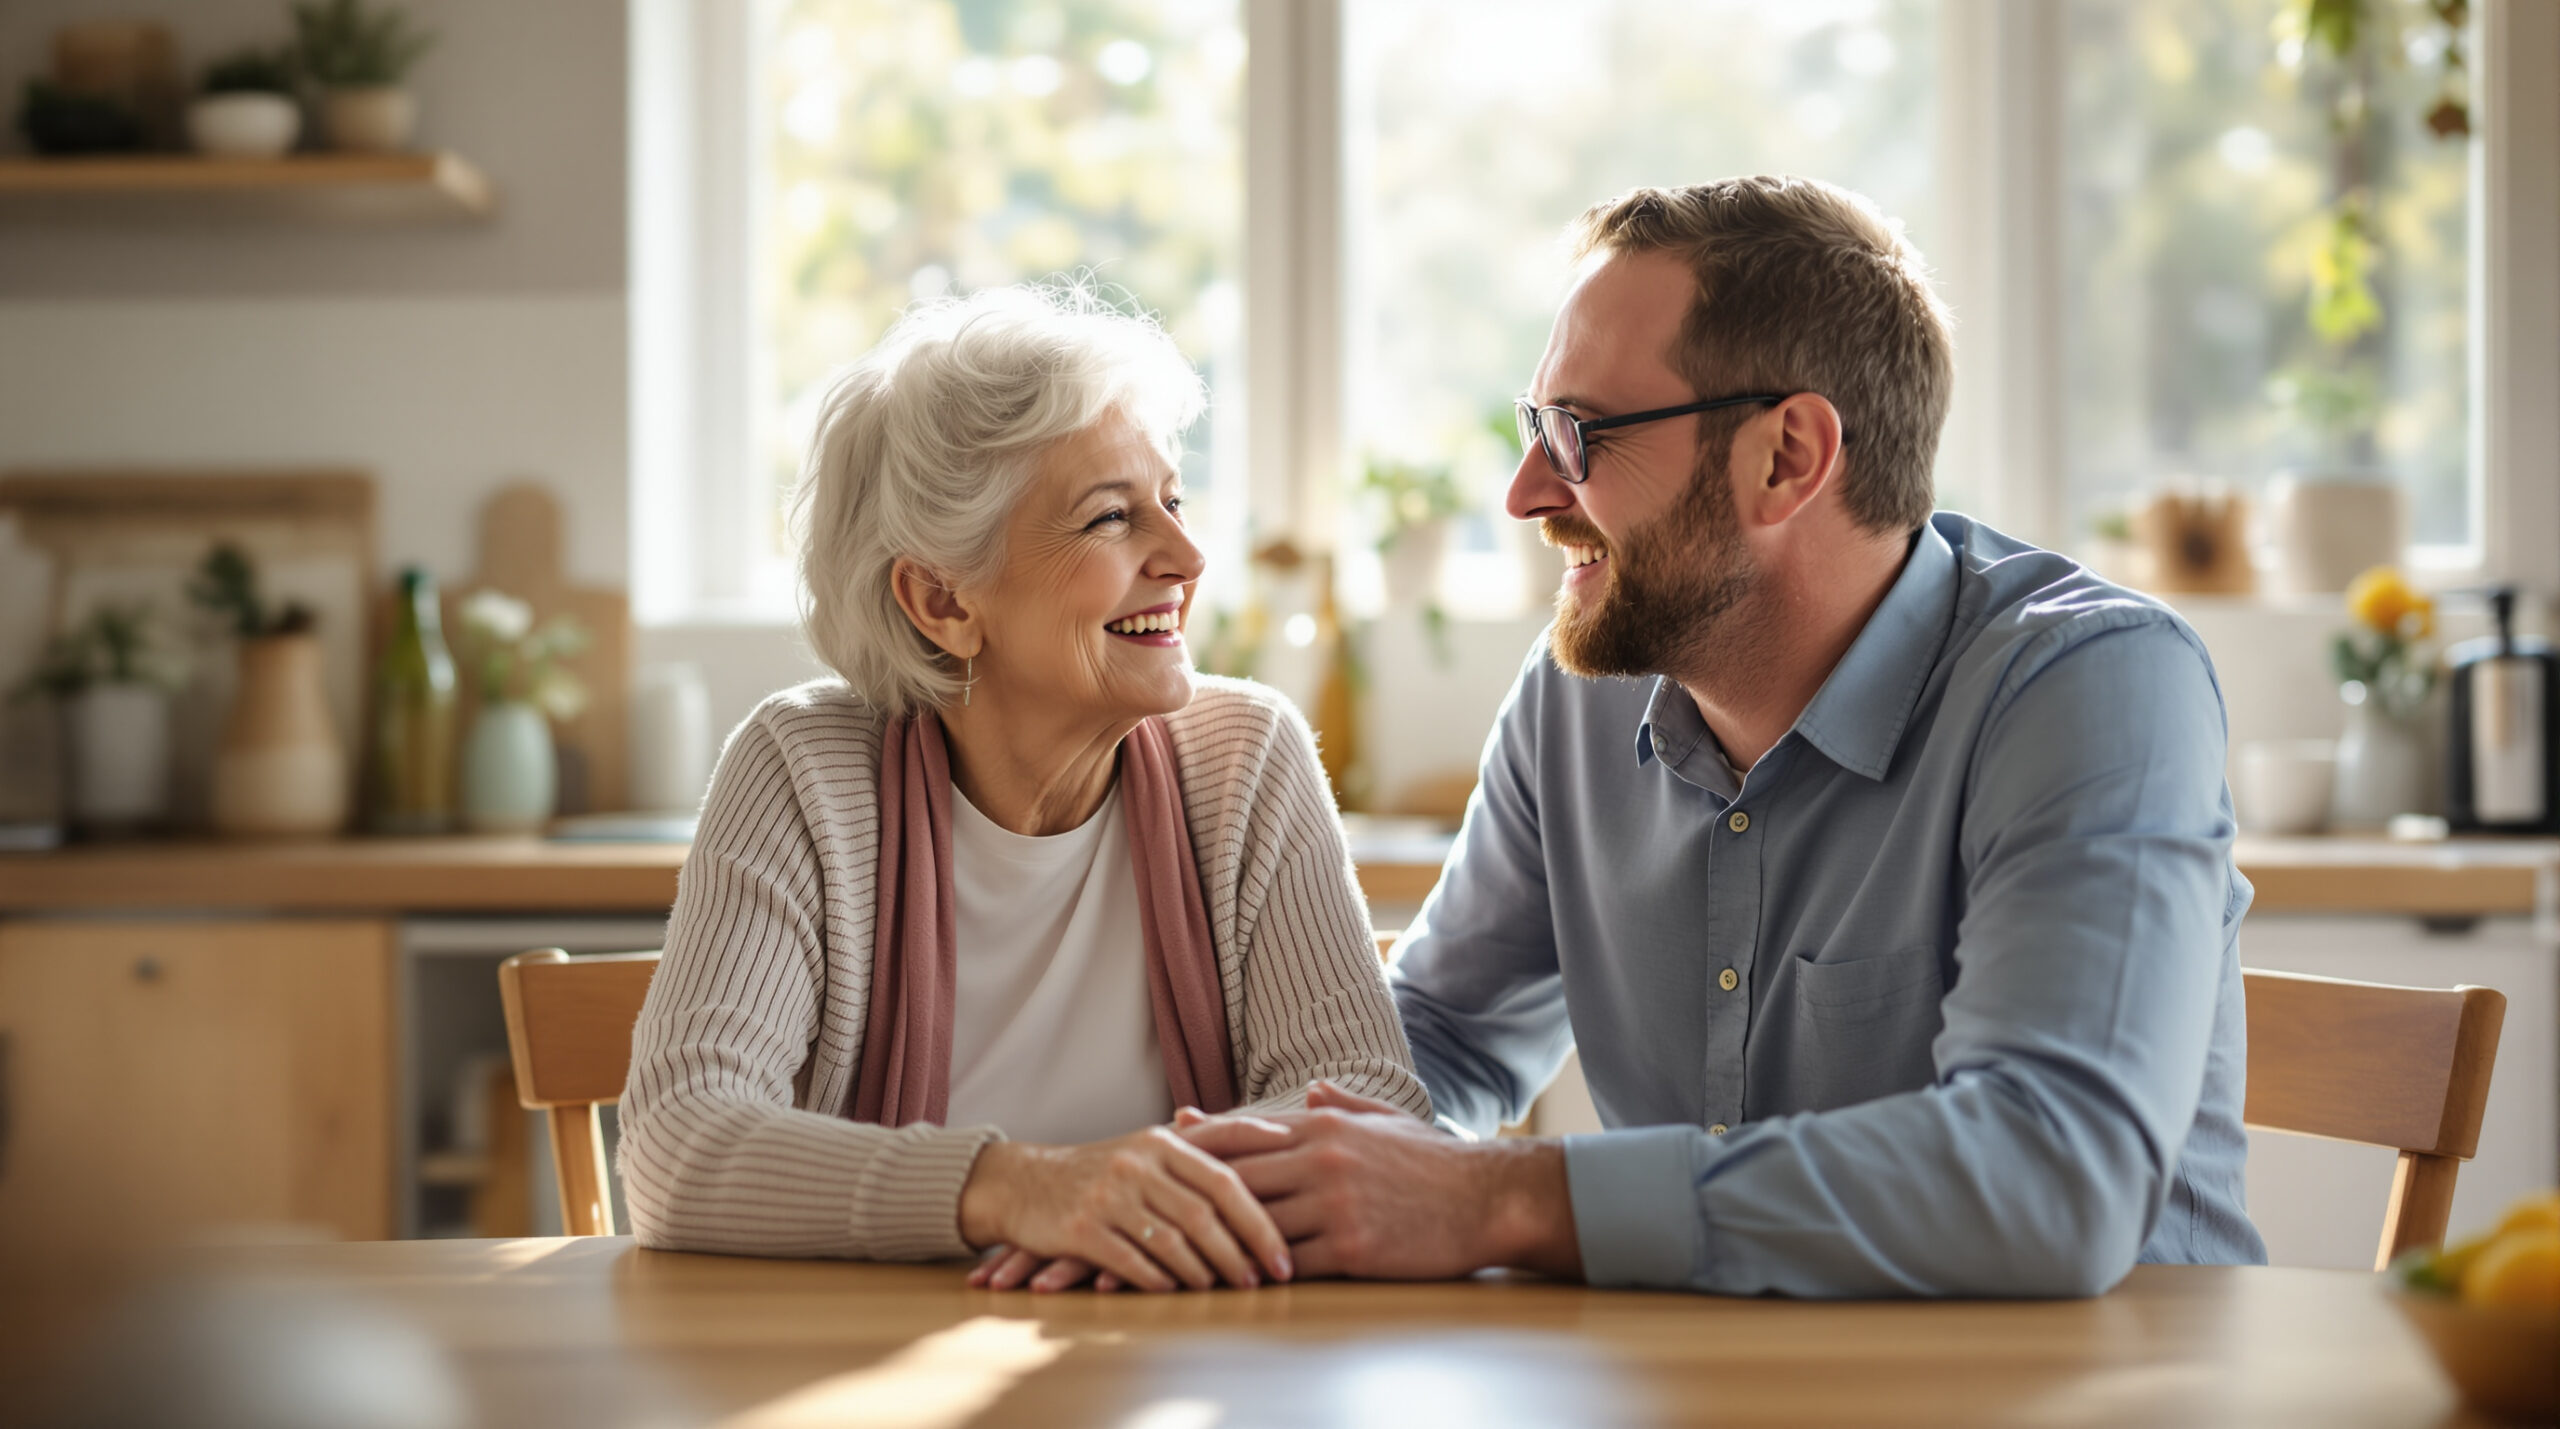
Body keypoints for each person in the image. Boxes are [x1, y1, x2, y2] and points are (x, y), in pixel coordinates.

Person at [1179, 176, 2268, 1297]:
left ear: (1787, 456)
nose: (1521, 492)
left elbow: (2050, 1178)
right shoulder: (1579, 695)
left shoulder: (2089, 683)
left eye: (1578, 433)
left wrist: (1502, 1199)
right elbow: (1442, 1040)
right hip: (1708, 1385)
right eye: (1533, 426)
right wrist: (1231, 1182)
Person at [619, 285, 1429, 1295]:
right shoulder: (801, 771)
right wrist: (1019, 1188)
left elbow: (1367, 1104)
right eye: (1110, 518)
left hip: (1194, 1359)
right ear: (942, 599)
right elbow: (678, 1144)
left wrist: (1127, 1199)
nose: (1184, 557)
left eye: (1171, 502)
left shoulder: (1246, 755)